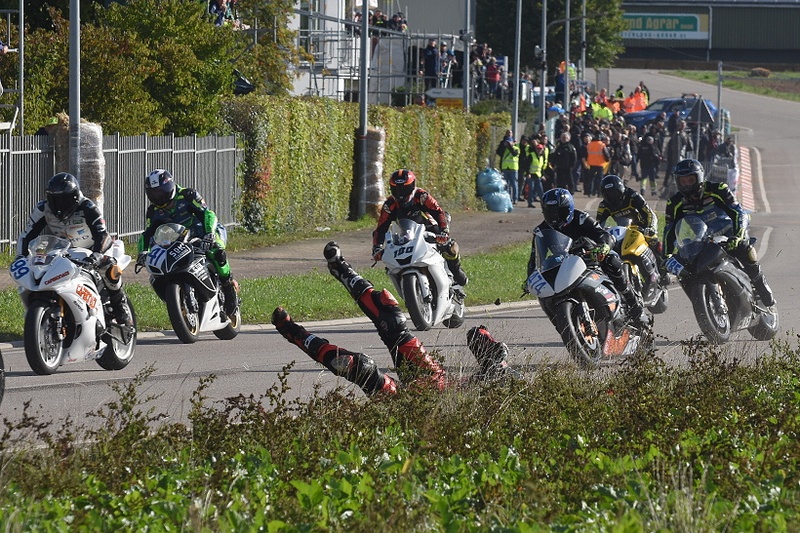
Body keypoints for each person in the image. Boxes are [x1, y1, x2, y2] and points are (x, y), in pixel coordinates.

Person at [271, 242, 513, 396]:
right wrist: (491, 350)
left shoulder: (486, 412)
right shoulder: (498, 380)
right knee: (389, 311)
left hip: (405, 405)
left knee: (356, 366)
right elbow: (482, 340)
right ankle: (341, 268)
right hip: (431, 377)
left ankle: (292, 332)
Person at [17, 172, 134, 327]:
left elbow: (102, 234)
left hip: (93, 249)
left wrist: (97, 255)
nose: (58, 205)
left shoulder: (87, 206)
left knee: (109, 267)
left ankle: (121, 307)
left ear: (73, 198)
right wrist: (21, 256)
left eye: (63, 200)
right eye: (54, 200)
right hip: (62, 250)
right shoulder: (42, 208)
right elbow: (27, 235)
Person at [528, 188, 649, 328]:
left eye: (559, 211)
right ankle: (562, 324)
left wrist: (604, 246)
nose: (555, 216)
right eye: (550, 212)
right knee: (544, 293)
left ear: (569, 208)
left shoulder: (580, 218)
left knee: (613, 262)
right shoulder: (541, 231)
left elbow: (603, 234)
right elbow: (535, 258)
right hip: (564, 265)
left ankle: (636, 308)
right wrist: (531, 277)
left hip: (591, 256)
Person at [663, 159, 775, 308]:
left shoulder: (718, 189)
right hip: (700, 241)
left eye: (690, 180)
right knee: (684, 270)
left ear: (699, 177)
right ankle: (702, 303)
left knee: (745, 249)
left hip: (728, 233)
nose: (687, 184)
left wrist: (738, 236)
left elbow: (738, 212)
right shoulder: (674, 202)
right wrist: (666, 256)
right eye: (683, 181)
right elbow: (669, 231)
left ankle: (761, 287)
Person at [138, 169, 240, 315]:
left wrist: (209, 234)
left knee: (216, 251)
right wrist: (143, 251)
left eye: (161, 191)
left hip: (204, 231)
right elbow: (148, 233)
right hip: (178, 239)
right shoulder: (153, 211)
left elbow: (207, 214)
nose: (158, 197)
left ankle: (228, 286)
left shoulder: (188, 195)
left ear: (170, 186)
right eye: (154, 193)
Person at [372, 169, 468, 286]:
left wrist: (443, 230)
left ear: (412, 186)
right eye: (396, 189)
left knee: (449, 247)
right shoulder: (389, 205)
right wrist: (377, 247)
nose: (400, 193)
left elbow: (438, 212)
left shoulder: (422, 196)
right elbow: (381, 228)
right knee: (391, 264)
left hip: (431, 231)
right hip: (409, 235)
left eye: (404, 188)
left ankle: (456, 270)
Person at [596, 174, 668, 283]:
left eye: (614, 193)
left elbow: (649, 213)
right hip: (624, 231)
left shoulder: (633, 196)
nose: (612, 197)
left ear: (621, 189)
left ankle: (663, 270)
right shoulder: (604, 205)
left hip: (643, 228)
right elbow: (597, 225)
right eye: (608, 194)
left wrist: (651, 227)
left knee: (653, 241)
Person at [496, 129, 520, 204]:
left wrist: (510, 146)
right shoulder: (503, 145)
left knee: (514, 184)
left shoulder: (516, 148)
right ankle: (507, 198)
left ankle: (515, 199)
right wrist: (504, 145)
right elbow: (499, 152)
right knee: (506, 184)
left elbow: (514, 153)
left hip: (513, 168)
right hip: (505, 167)